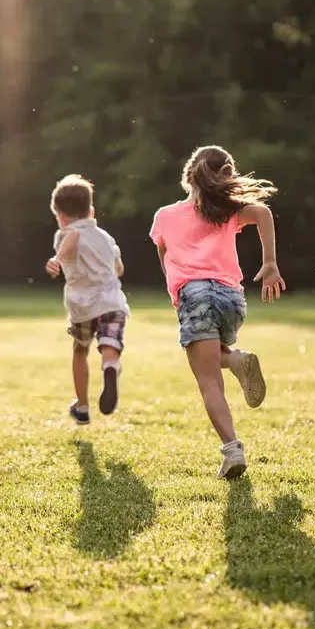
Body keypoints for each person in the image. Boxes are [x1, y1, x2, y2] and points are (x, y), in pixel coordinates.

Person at [149, 146, 286, 479]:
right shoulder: (227, 211)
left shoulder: (165, 215)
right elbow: (264, 214)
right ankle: (236, 360)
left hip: (195, 295)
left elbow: (164, 259)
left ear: (189, 176)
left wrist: (178, 291)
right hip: (232, 299)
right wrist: (269, 264)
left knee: (208, 379)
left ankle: (232, 450)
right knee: (212, 359)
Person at [45, 174, 130, 425]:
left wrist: (58, 259)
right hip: (112, 302)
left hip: (82, 307)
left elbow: (73, 236)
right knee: (109, 345)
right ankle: (111, 368)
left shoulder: (65, 233)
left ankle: (82, 406)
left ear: (59, 214)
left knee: (80, 351)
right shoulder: (106, 238)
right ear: (91, 211)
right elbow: (119, 269)